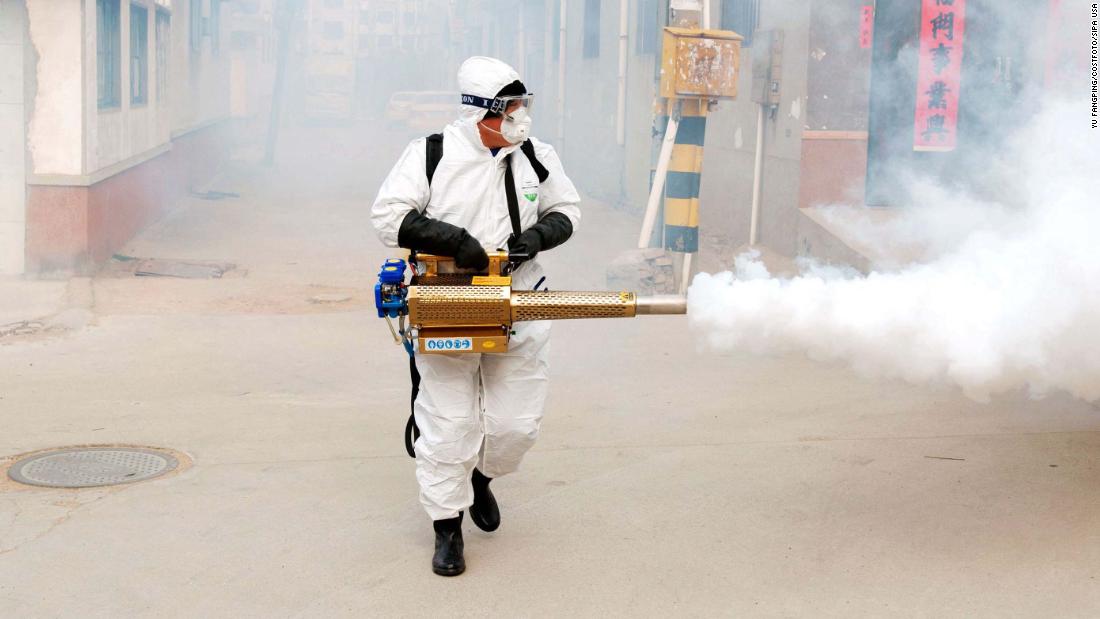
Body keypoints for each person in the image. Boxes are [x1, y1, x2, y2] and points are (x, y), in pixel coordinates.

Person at [371, 56, 581, 576]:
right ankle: (447, 528)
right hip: (450, 305)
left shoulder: (536, 155)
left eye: (522, 107)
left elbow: (567, 211)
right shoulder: (431, 155)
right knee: (449, 422)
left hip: (522, 301)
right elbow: (389, 217)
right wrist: (455, 241)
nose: (519, 118)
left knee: (515, 425)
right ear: (481, 113)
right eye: (510, 109)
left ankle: (483, 475)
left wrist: (536, 236)